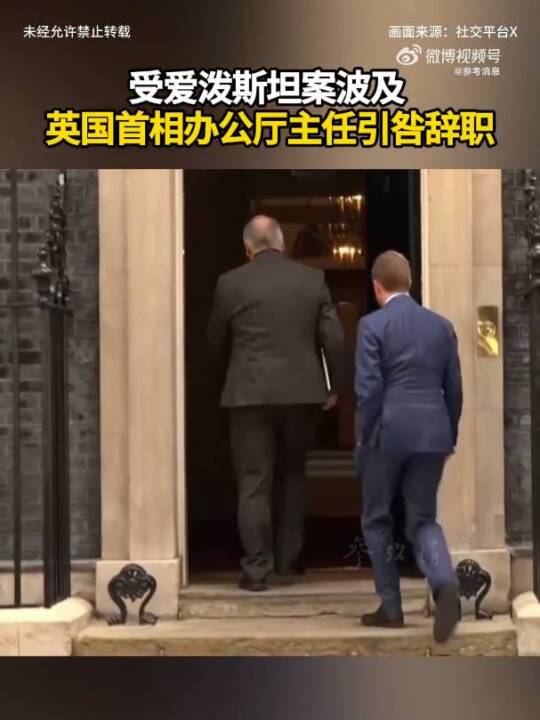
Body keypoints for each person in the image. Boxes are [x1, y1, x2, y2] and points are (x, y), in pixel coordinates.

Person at [207, 215, 345, 592]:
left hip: (248, 393)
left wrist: (230, 375)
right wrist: (335, 386)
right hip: (302, 394)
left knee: (254, 480)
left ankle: (256, 569)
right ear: (282, 243)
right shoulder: (312, 280)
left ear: (247, 248)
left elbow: (216, 340)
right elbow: (333, 339)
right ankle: (289, 560)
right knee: (294, 474)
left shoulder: (230, 283)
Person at [354, 250, 463, 643]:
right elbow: (454, 389)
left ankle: (391, 607)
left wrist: (364, 437)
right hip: (433, 433)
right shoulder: (442, 326)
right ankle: (443, 581)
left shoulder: (372, 325)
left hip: (387, 432)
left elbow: (369, 389)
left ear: (376, 286)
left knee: (377, 519)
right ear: (410, 283)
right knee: (422, 520)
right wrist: (448, 434)